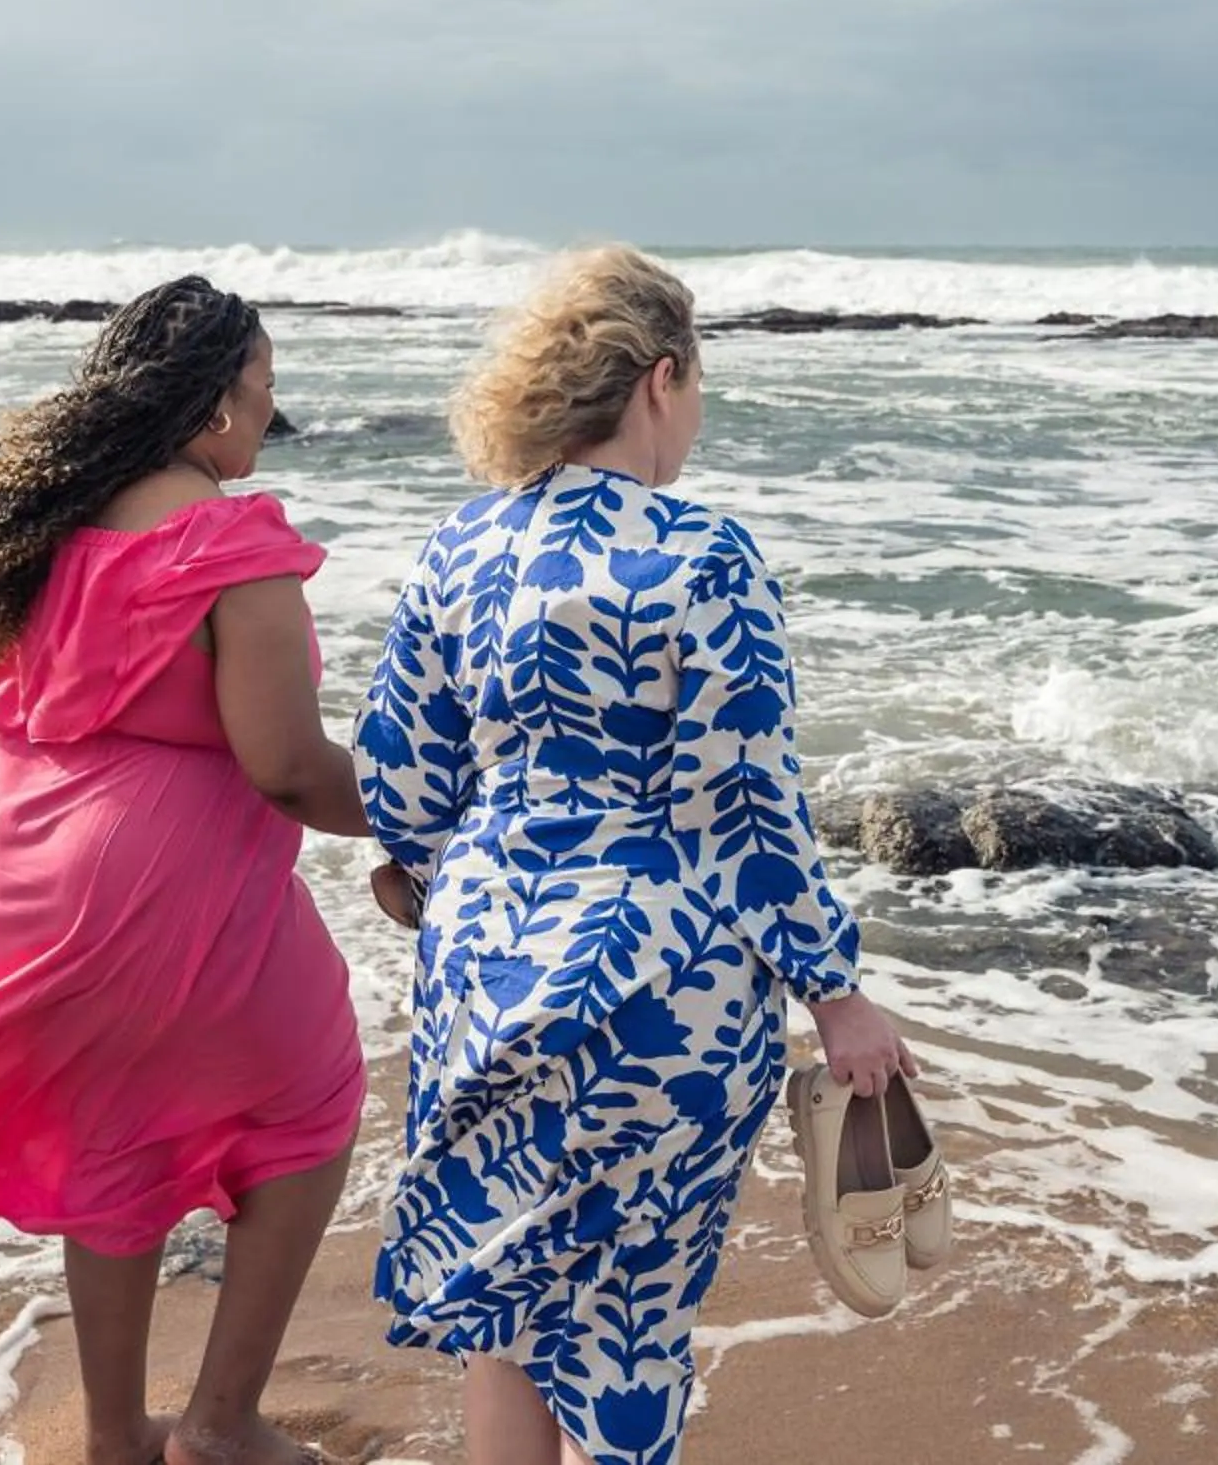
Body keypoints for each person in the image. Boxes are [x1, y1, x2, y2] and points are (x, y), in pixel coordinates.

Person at [0, 277, 367, 1465]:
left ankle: (112, 1436)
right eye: (263, 390)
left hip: (13, 870)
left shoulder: (35, 528)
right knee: (312, 1105)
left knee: (114, 1133)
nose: (269, 413)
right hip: (158, 893)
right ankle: (219, 1424)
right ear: (210, 407)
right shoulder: (229, 543)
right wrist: (434, 817)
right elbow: (291, 769)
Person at [356, 247, 914, 1465]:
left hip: (488, 968)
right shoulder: (701, 553)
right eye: (697, 391)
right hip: (661, 993)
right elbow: (749, 806)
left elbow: (397, 774)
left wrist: (443, 874)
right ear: (662, 380)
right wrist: (839, 994)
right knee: (631, 1319)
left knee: (506, 1308)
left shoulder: (463, 546)